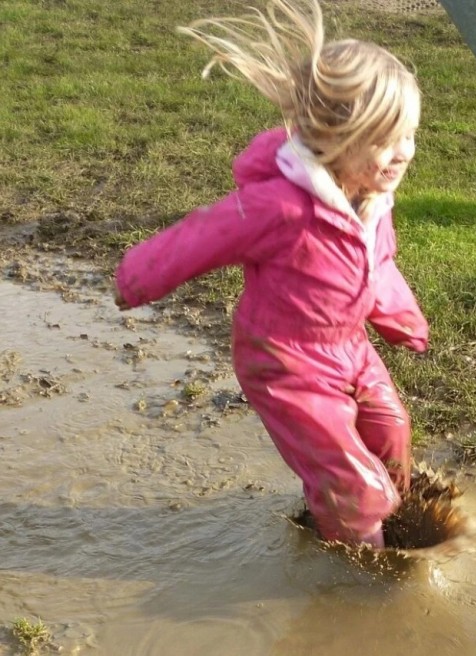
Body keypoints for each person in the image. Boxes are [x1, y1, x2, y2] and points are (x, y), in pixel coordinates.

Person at [113, 0, 428, 549]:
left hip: (347, 345)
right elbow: (200, 237)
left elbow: (378, 264)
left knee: (391, 431)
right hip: (285, 360)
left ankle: (371, 515)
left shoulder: (373, 197)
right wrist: (138, 278)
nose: (403, 153)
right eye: (386, 140)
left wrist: (404, 321)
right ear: (335, 139)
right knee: (358, 484)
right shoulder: (278, 207)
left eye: (409, 136)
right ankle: (357, 559)